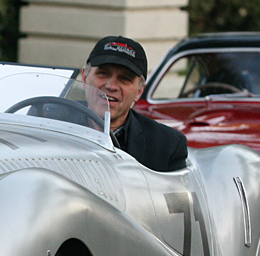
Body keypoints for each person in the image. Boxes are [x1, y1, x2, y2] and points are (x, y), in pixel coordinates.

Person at [81, 36, 188, 172]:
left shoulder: (166, 145)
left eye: (124, 79)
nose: (111, 86)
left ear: (139, 91)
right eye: (103, 73)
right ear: (84, 78)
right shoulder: (52, 123)